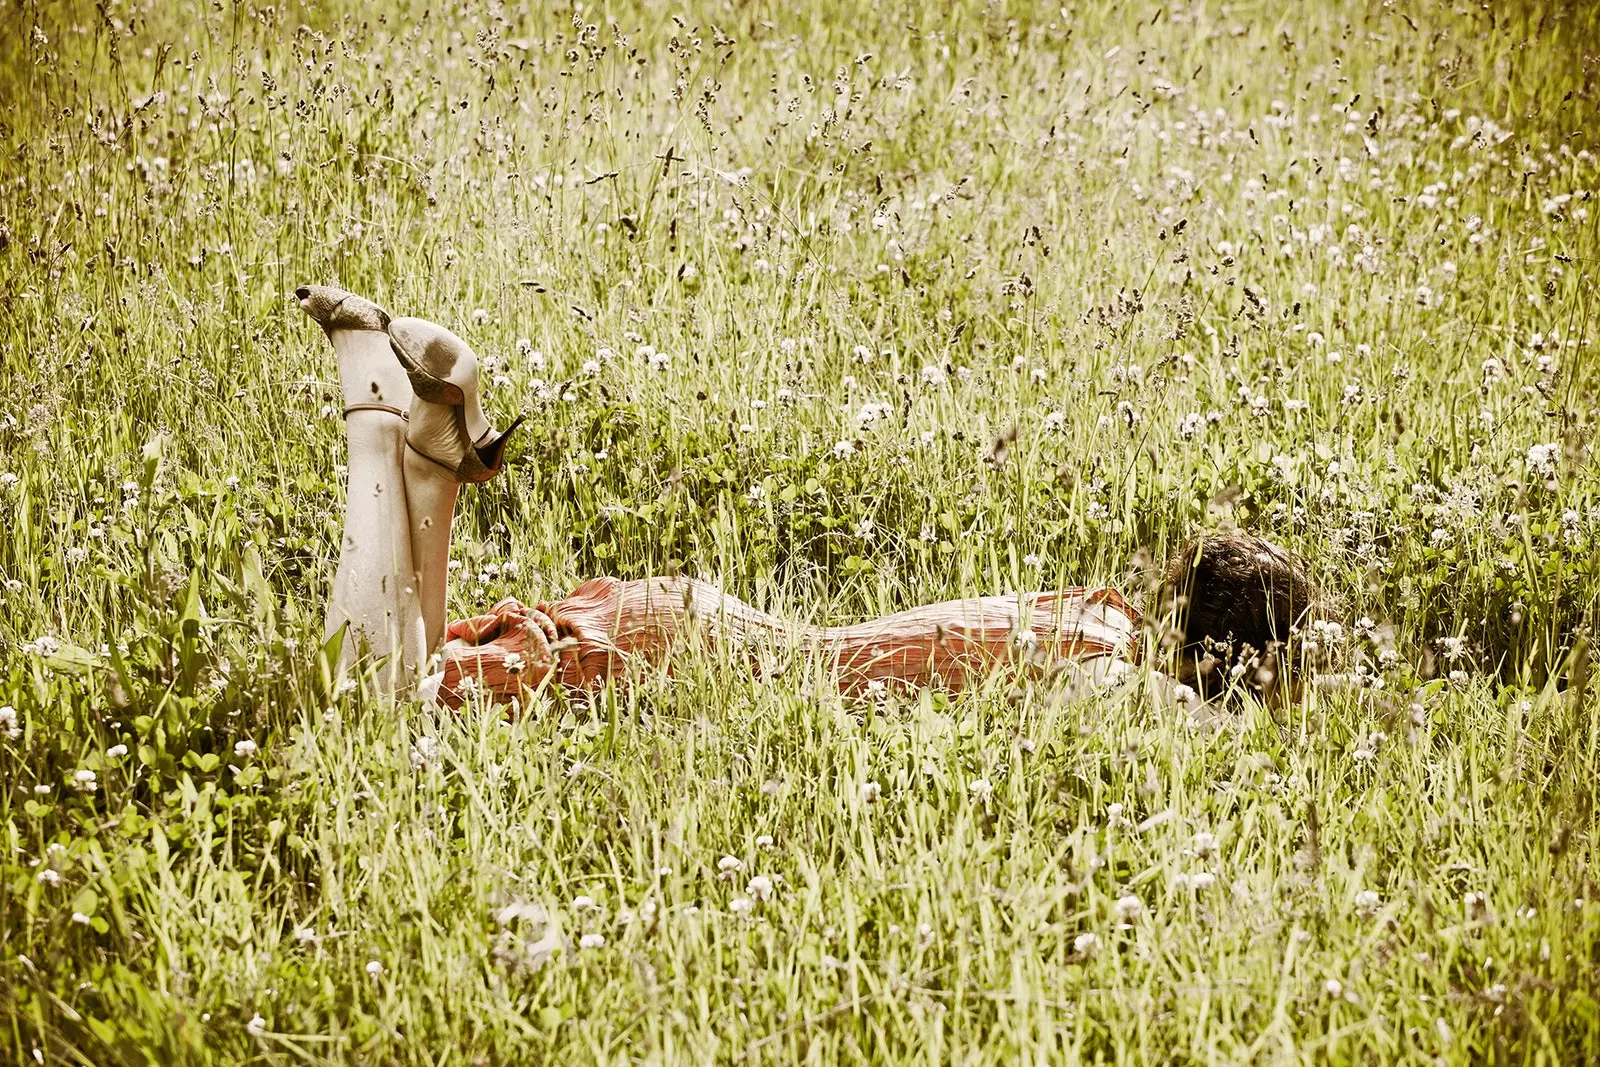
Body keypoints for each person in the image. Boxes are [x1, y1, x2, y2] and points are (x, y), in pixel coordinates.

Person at [298, 286, 1328, 712]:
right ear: (1240, 661)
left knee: (407, 682)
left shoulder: (1099, 609)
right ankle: (369, 396)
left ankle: (435, 454)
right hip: (692, 661)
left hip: (711, 630)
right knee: (376, 701)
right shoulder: (1120, 685)